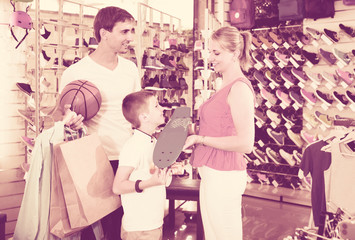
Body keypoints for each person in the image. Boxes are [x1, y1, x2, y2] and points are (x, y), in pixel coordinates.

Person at [59, 6, 141, 240]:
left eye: (132, 31)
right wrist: (70, 122)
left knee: (124, 227)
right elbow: (60, 116)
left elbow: (138, 113)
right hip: (95, 160)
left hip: (128, 158)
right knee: (95, 231)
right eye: (124, 32)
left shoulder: (130, 69)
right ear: (104, 34)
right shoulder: (76, 72)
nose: (130, 38)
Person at [183, 26, 255, 240]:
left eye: (217, 53)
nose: (211, 58)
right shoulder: (226, 85)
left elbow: (245, 143)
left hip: (224, 174)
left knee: (224, 235)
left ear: (235, 54)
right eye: (210, 52)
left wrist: (201, 139)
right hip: (214, 171)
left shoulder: (239, 88)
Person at [112, 90, 172, 240]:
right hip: (139, 228)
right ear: (144, 117)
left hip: (154, 222)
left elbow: (152, 175)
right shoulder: (133, 146)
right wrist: (149, 182)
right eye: (156, 106)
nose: (162, 109)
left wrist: (166, 173)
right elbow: (118, 186)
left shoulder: (153, 142)